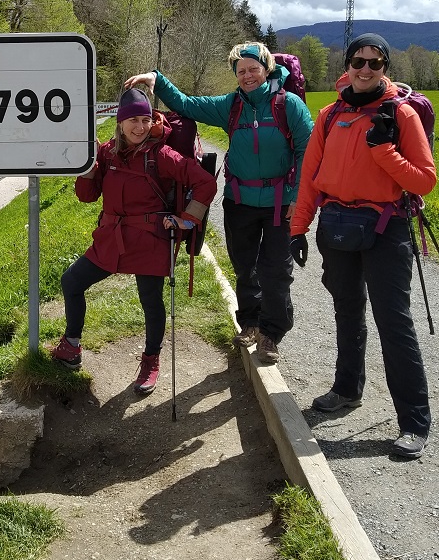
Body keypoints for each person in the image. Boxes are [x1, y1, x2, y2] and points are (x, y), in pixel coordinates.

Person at [289, 33, 437, 460]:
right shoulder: (330, 114)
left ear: (385, 67)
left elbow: (424, 180)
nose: (366, 69)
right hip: (337, 225)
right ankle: (347, 388)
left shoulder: (401, 114)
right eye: (359, 61)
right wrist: (298, 228)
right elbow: (310, 177)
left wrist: (385, 151)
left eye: (375, 62)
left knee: (394, 322)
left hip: (387, 228)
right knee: (347, 310)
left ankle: (414, 422)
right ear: (348, 65)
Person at [124, 42, 312, 364]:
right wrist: (157, 80)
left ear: (266, 69)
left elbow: (307, 151)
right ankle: (250, 323)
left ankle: (271, 333)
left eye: (253, 69)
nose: (248, 76)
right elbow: (187, 104)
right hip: (239, 201)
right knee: (244, 265)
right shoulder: (231, 105)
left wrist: (298, 198)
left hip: (280, 204)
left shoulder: (288, 105)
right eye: (241, 71)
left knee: (276, 270)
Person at [50, 87, 217, 395]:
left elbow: (205, 182)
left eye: (145, 120)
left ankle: (150, 361)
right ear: (120, 122)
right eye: (133, 121)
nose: (140, 127)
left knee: (150, 301)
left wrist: (187, 219)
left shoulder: (161, 155)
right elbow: (87, 197)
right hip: (112, 238)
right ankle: (71, 346)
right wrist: (88, 168)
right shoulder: (106, 152)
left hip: (150, 239)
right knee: (71, 281)